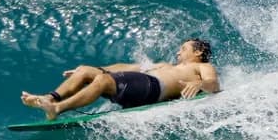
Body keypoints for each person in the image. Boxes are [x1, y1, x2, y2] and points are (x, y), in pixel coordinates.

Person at [21, 38, 220, 120]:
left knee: (103, 81)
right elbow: (127, 68)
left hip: (152, 89)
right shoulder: (165, 65)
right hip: (138, 86)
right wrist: (96, 69)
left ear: (199, 51)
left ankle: (57, 109)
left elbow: (214, 84)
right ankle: (50, 98)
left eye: (183, 48)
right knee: (85, 71)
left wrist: (199, 84)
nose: (178, 52)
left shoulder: (202, 66)